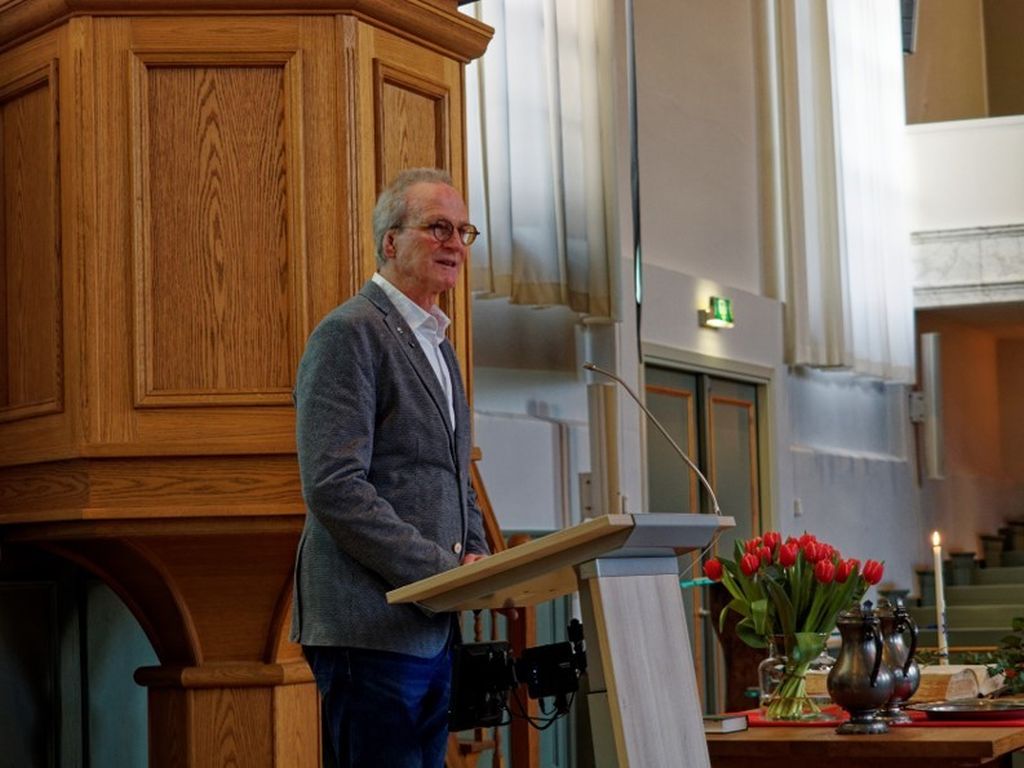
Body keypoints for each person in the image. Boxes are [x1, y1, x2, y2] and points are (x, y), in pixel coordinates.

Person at [291, 167, 490, 768]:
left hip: (428, 625)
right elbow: (334, 486)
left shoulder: (439, 344)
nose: (455, 243)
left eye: (463, 231)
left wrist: (478, 556)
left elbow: (454, 473)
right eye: (438, 228)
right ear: (390, 241)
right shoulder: (350, 332)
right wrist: (440, 573)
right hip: (369, 625)